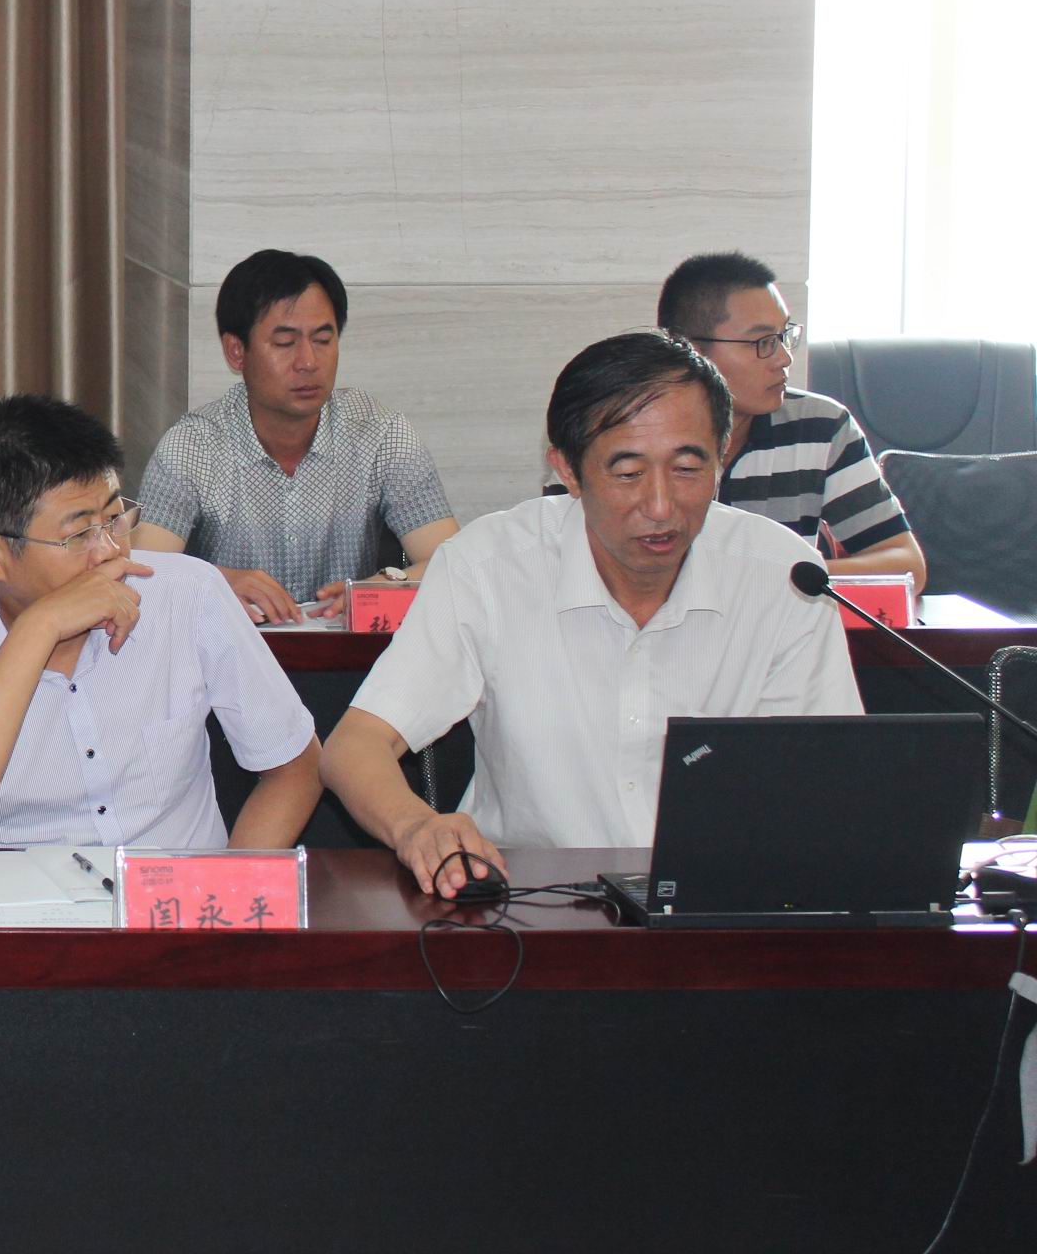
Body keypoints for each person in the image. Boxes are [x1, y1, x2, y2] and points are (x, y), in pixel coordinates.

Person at [320, 332, 861, 897]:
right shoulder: (487, 567)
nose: (660, 505)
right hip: (531, 907)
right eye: (628, 473)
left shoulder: (784, 578)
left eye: (687, 468)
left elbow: (826, 779)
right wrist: (416, 828)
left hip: (719, 904)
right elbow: (354, 747)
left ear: (721, 458)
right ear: (568, 471)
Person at [0, 395, 321, 852]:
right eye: (79, 534)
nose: (109, 550)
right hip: (19, 896)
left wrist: (232, 885)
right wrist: (39, 628)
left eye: (113, 518)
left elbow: (296, 766)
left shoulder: (188, 594)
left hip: (175, 892)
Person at [134, 250, 458, 624]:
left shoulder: (381, 434)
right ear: (236, 352)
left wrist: (385, 585)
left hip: (347, 656)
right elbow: (143, 577)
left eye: (323, 340)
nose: (308, 362)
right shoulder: (192, 448)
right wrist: (216, 582)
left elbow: (452, 561)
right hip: (228, 654)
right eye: (285, 343)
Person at [656, 252, 928, 595]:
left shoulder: (819, 427)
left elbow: (905, 566)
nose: (784, 358)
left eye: (784, 336)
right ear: (687, 348)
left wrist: (781, 576)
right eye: (763, 342)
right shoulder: (631, 432)